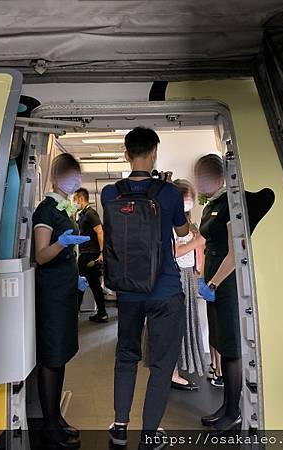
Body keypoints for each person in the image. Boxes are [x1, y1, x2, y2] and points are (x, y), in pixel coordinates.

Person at [102, 127, 189, 450]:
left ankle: (120, 426)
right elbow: (183, 232)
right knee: (162, 365)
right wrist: (167, 190)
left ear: (127, 154)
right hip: (165, 290)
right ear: (154, 153)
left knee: (126, 357)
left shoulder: (110, 193)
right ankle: (150, 434)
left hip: (128, 291)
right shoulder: (169, 193)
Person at [194, 154, 274, 433]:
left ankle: (234, 412)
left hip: (226, 285)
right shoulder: (212, 205)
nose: (199, 181)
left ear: (217, 176)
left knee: (231, 348)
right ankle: (226, 407)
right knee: (220, 341)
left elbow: (235, 253)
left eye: (202, 176)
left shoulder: (232, 203)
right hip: (214, 284)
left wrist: (213, 284)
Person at [32, 153, 90, 448]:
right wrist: (61, 243)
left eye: (77, 174)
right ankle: (50, 426)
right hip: (52, 294)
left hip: (65, 291)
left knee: (62, 354)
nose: (74, 179)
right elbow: (42, 256)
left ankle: (57, 417)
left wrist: (75, 276)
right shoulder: (46, 210)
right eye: (69, 174)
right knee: (51, 357)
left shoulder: (66, 209)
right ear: (55, 177)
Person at [170, 179, 206, 390]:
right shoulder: (170, 221)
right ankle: (172, 372)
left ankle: (175, 370)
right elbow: (173, 252)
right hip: (178, 277)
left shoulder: (186, 221)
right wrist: (196, 242)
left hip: (187, 275)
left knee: (184, 324)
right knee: (177, 326)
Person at [72, 187, 108, 322]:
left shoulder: (91, 214)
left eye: (75, 199)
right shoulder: (82, 214)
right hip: (85, 253)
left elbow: (100, 232)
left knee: (86, 283)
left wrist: (102, 252)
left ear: (81, 199)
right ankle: (101, 312)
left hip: (91, 254)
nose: (74, 202)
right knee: (90, 284)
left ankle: (77, 312)